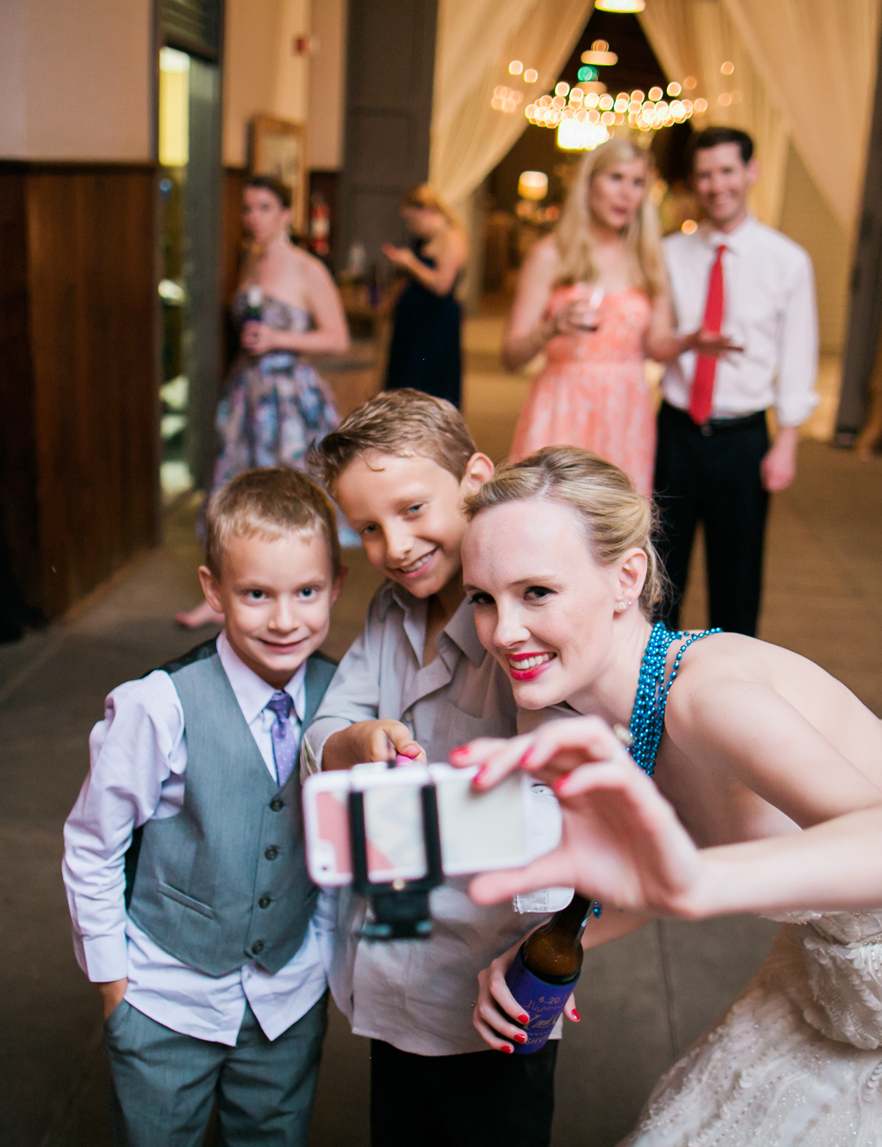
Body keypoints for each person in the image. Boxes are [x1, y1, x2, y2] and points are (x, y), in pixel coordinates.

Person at [453, 447, 882, 1145]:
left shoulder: (706, 697)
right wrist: (543, 951)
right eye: (483, 598)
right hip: (834, 982)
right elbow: (648, 884)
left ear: (627, 575)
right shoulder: (579, 710)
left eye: (536, 592)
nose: (503, 630)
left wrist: (695, 880)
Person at [302, 389, 570, 1147]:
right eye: (368, 528)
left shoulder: (522, 634)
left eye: (414, 508)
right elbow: (326, 733)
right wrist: (353, 745)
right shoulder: (391, 610)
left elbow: (558, 824)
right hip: (390, 962)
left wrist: (376, 818)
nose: (396, 545)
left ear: (475, 480)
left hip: (490, 985)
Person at [64, 467, 345, 1146]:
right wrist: (113, 984)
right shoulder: (159, 705)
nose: (285, 618)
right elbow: (93, 843)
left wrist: (325, 956)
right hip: (167, 997)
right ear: (212, 590)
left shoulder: (344, 700)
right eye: (256, 593)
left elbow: (341, 846)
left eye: (307, 591)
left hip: (287, 999)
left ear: (336, 586)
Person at [654, 126, 818, 637]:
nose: (716, 185)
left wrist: (786, 441)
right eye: (704, 174)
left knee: (738, 580)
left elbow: (798, 355)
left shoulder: (787, 261)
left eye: (726, 170)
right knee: (660, 575)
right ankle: (651, 699)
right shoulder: (669, 253)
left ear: (752, 172)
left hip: (743, 438)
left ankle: (728, 699)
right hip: (676, 431)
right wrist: (687, 341)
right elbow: (653, 339)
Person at [175, 175, 350, 629]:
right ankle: (225, 596)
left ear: (287, 214)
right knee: (232, 492)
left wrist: (278, 338)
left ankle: (305, 591)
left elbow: (337, 338)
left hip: (289, 395)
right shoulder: (249, 261)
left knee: (294, 498)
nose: (254, 217)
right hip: (246, 392)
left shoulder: (307, 268)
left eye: (265, 208)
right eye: (248, 208)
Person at [502, 136, 689, 498]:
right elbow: (511, 357)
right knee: (548, 515)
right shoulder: (550, 255)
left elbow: (658, 345)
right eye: (615, 178)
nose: (626, 194)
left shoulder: (649, 259)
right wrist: (550, 329)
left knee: (614, 530)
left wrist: (690, 341)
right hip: (561, 404)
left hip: (626, 409)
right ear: (589, 183)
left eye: (638, 183)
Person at [382, 184, 466, 406]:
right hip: (416, 324)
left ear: (428, 211)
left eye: (413, 220)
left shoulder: (452, 237)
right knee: (406, 385)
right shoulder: (427, 240)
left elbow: (442, 285)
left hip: (434, 324)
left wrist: (410, 263)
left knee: (427, 385)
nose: (411, 227)